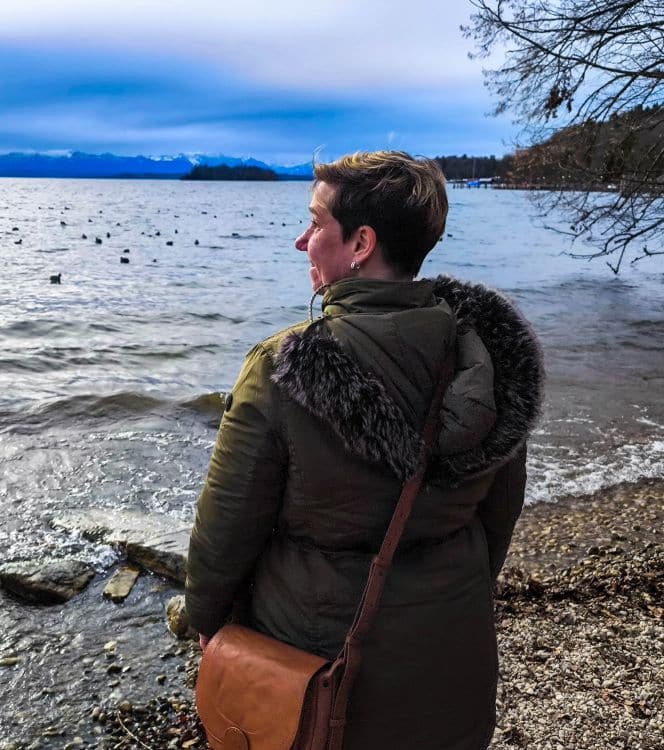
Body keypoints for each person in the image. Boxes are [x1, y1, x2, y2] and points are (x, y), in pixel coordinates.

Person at [185, 151, 544, 749]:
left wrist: (207, 619)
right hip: (455, 652)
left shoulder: (282, 367)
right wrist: (453, 589)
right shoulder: (490, 360)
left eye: (316, 223)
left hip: (322, 665)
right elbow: (499, 515)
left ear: (361, 243)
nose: (302, 241)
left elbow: (227, 524)